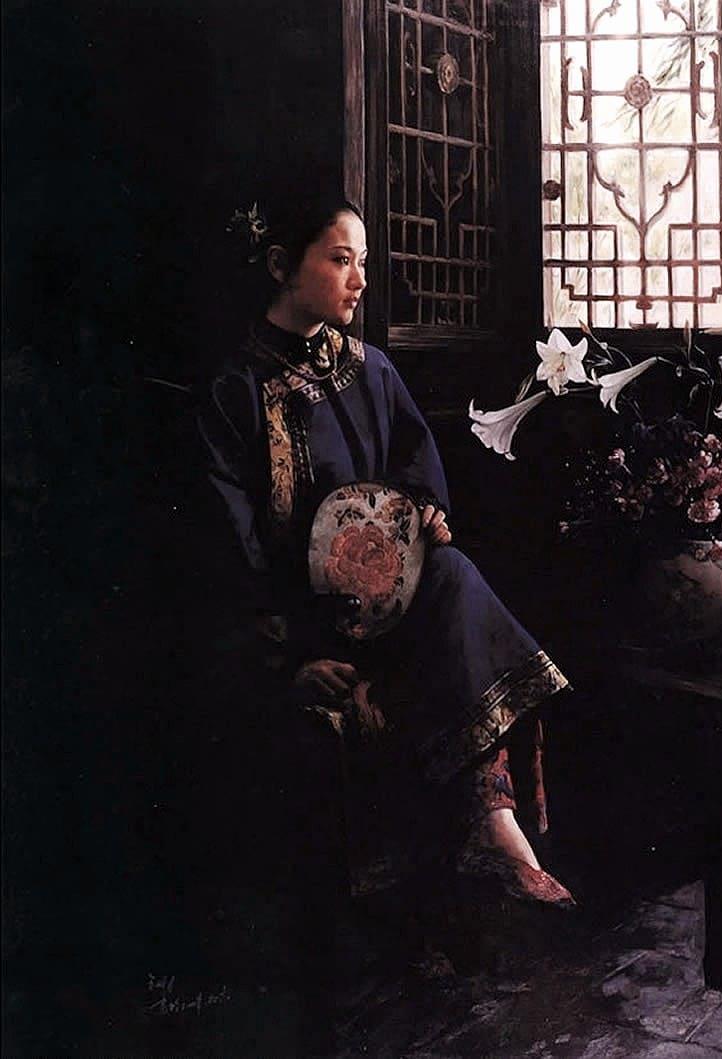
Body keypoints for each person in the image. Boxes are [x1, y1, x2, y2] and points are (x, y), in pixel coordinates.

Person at [197, 193, 574, 909]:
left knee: (451, 567)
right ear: (281, 265)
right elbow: (229, 547)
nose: (360, 280)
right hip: (304, 625)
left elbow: (416, 461)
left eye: (363, 261)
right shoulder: (234, 393)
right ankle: (488, 827)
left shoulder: (370, 371)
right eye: (341, 260)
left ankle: (494, 817)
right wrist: (291, 658)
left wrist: (426, 510)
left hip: (394, 609)